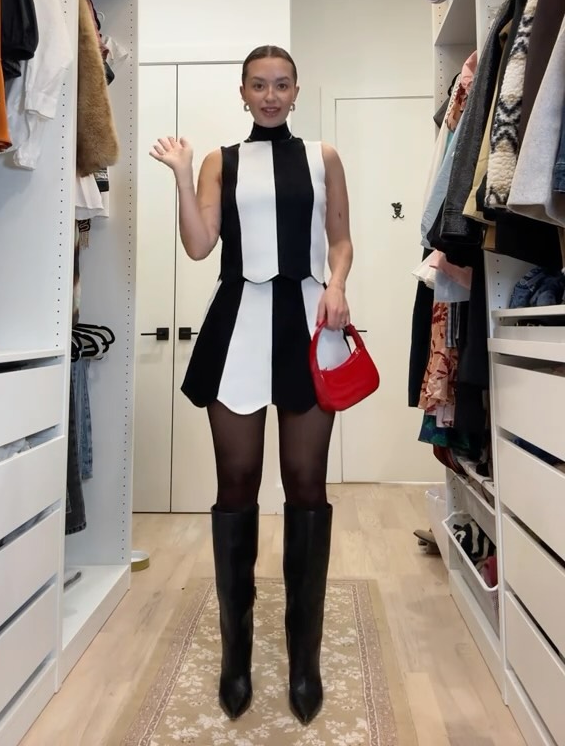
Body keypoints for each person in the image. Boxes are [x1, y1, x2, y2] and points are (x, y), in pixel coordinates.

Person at [150, 45, 353, 725]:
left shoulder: (323, 156)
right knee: (235, 485)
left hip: (309, 320)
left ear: (297, 91)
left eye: (282, 84)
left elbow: (341, 239)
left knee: (306, 485)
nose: (270, 95)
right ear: (243, 92)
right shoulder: (220, 160)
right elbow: (199, 245)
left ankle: (304, 662)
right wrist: (183, 176)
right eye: (259, 85)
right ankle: (236, 657)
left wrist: (338, 285)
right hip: (237, 322)